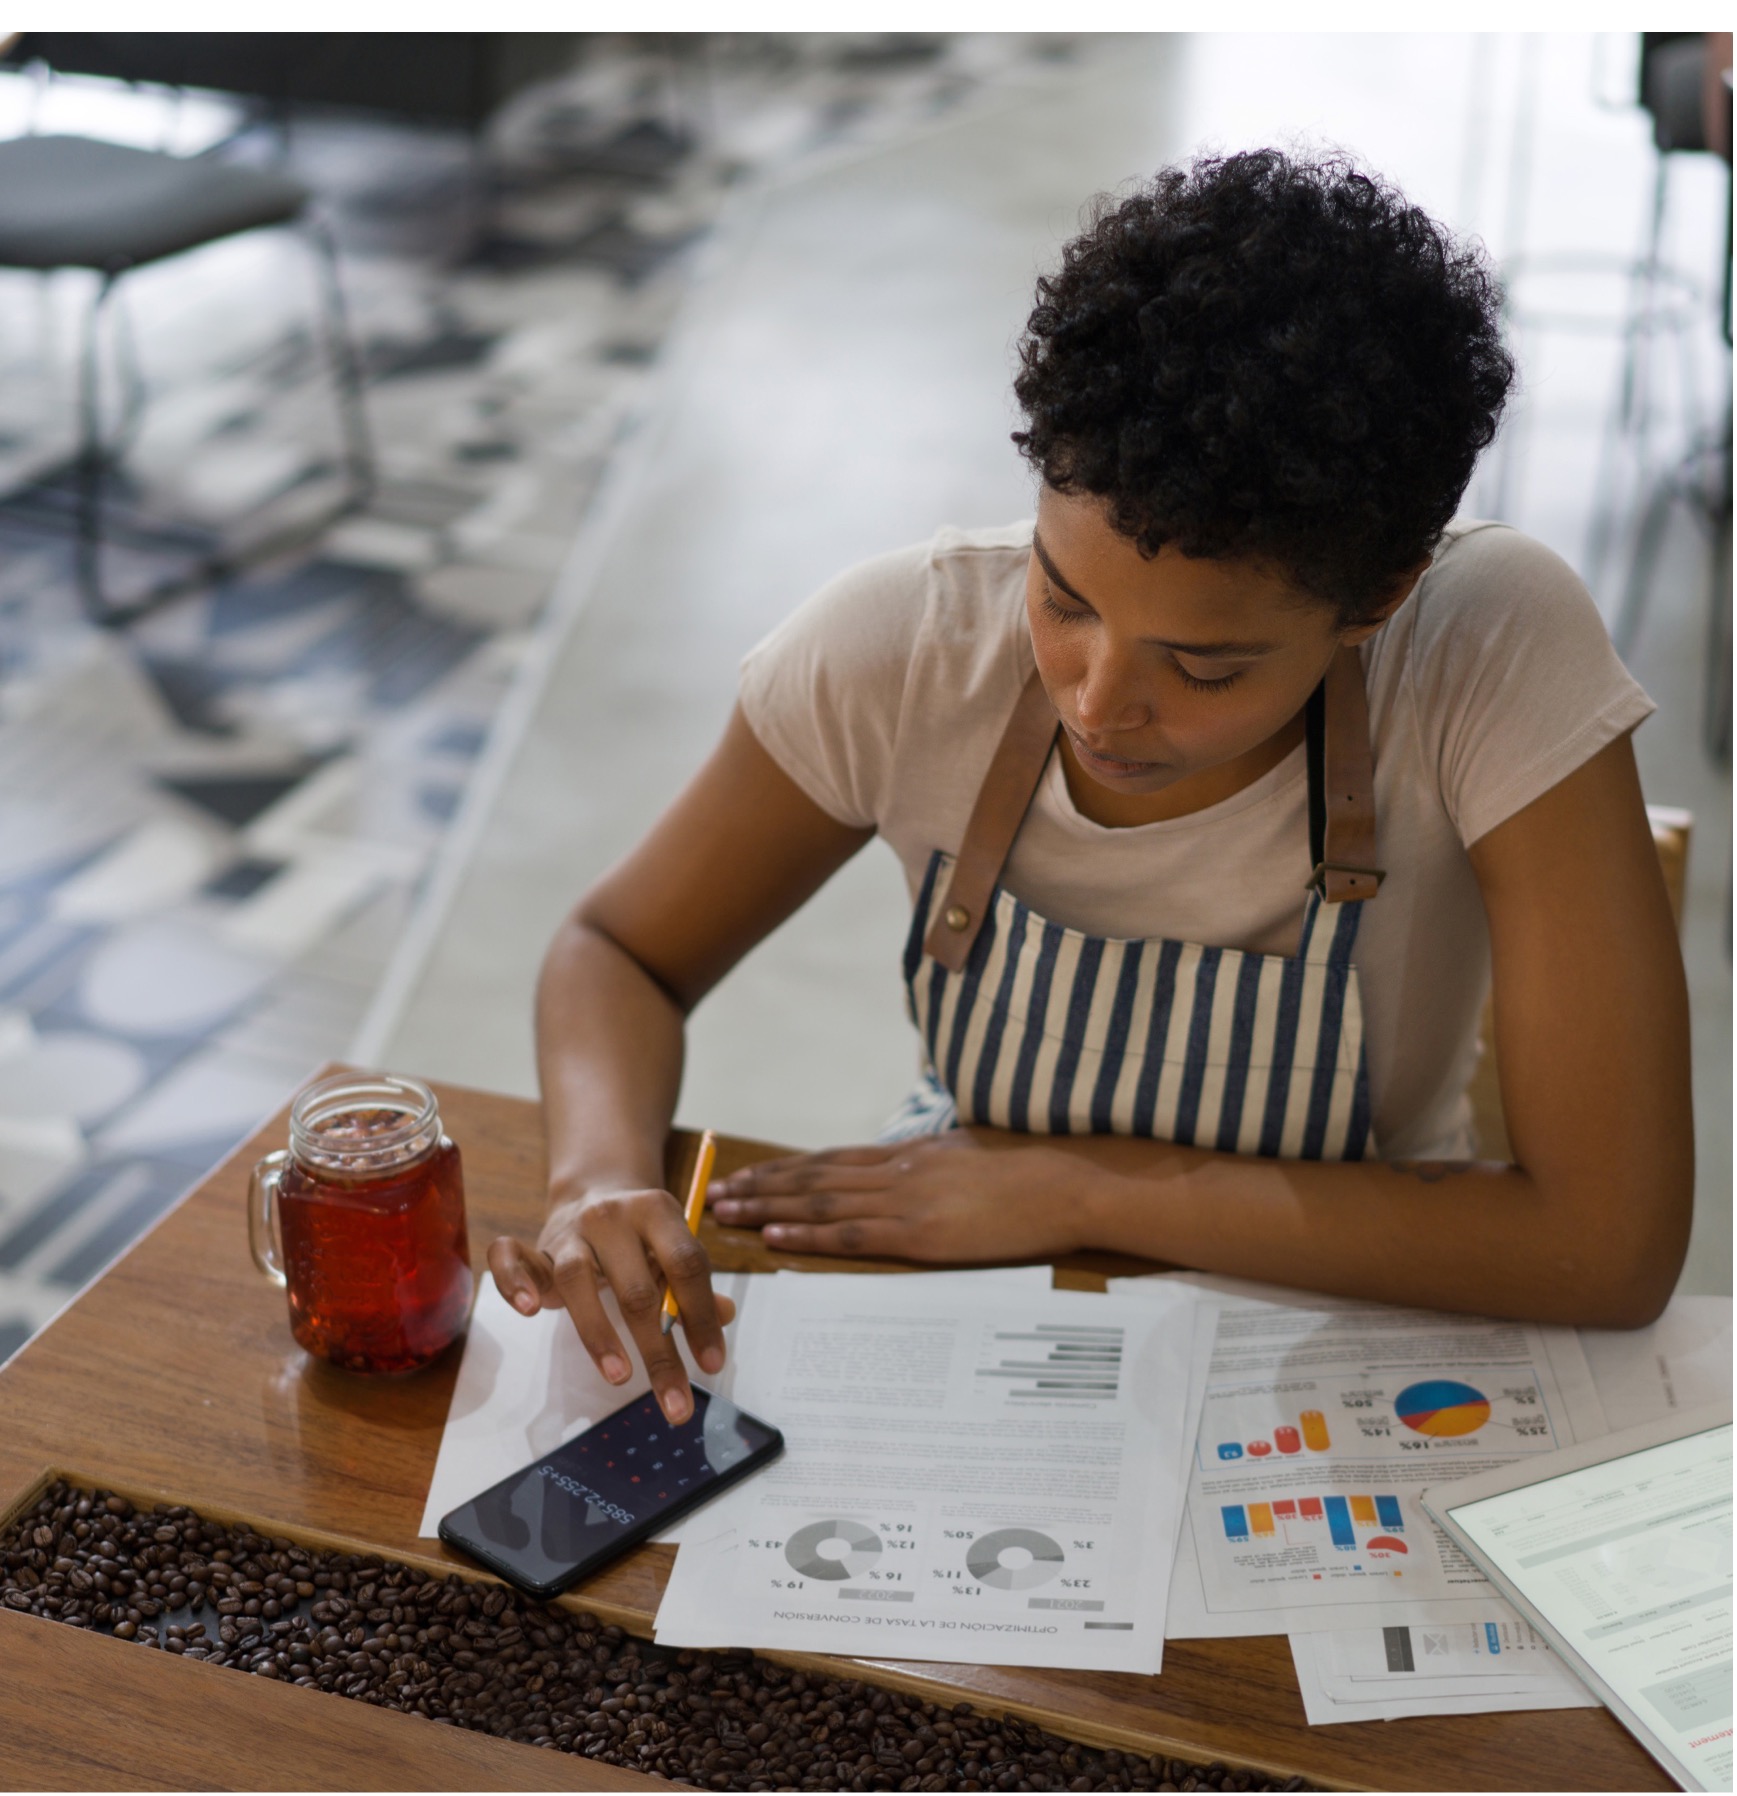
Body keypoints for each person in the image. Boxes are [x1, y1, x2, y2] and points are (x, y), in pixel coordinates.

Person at [488, 149, 1693, 1425]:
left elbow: (1607, 1247)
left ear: (1379, 598)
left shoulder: (1484, 646)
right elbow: (616, 948)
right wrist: (593, 1178)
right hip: (979, 1265)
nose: (1097, 700)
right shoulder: (904, 648)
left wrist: (1085, 1188)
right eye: (1062, 596)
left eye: (1206, 664)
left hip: (1377, 1294)